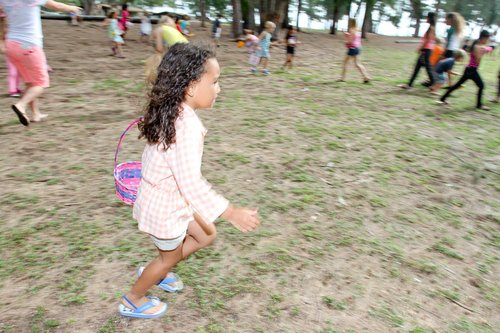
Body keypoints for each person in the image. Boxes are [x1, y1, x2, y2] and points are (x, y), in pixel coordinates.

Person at [118, 43, 261, 319]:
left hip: (170, 200)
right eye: (215, 82)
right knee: (168, 257)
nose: (219, 88)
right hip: (165, 208)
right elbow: (191, 183)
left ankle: (158, 271)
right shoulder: (186, 127)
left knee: (207, 235)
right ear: (192, 86)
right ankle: (134, 297)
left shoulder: (174, 111)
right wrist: (231, 212)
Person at [0, 0, 80, 126]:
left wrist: (1, 41)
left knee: (30, 81)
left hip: (11, 45)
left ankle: (35, 114)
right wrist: (72, 8)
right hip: (28, 45)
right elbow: (54, 5)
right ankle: (21, 105)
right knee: (41, 83)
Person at [439, 30, 493, 110]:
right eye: (487, 39)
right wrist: (483, 52)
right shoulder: (478, 47)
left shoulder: (478, 45)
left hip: (470, 69)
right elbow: (478, 60)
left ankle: (443, 98)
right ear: (483, 38)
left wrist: (486, 49)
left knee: (457, 85)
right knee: (481, 86)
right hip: (472, 70)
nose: (487, 41)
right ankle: (479, 105)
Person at [400, 12, 436, 89]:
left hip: (426, 50)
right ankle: (409, 84)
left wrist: (420, 48)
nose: (426, 18)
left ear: (429, 18)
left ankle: (434, 83)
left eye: (427, 17)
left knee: (427, 68)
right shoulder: (432, 27)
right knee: (418, 67)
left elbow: (427, 40)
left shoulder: (431, 28)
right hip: (426, 50)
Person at [338, 18, 370, 83]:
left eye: (349, 22)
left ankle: (342, 78)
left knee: (345, 63)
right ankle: (366, 77)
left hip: (352, 48)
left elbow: (350, 41)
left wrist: (345, 42)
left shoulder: (351, 29)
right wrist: (347, 34)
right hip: (357, 48)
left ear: (351, 23)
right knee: (358, 64)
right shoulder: (357, 30)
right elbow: (354, 37)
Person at [0, 6, 23, 97]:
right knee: (13, 70)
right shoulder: (3, 29)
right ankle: (12, 90)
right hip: (9, 49)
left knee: (18, 70)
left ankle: (15, 88)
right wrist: (3, 48)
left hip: (17, 47)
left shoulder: (13, 26)